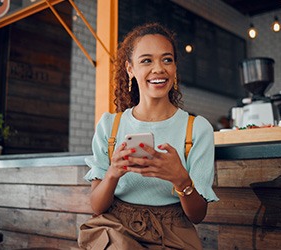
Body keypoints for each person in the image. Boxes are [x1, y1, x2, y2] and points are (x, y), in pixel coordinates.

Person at [78, 22, 218, 250]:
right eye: (146, 60)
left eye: (167, 59)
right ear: (130, 69)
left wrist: (180, 179)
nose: (159, 68)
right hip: (116, 230)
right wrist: (113, 173)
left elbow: (197, 216)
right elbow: (97, 206)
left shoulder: (197, 128)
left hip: (174, 233)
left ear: (175, 68)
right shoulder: (110, 126)